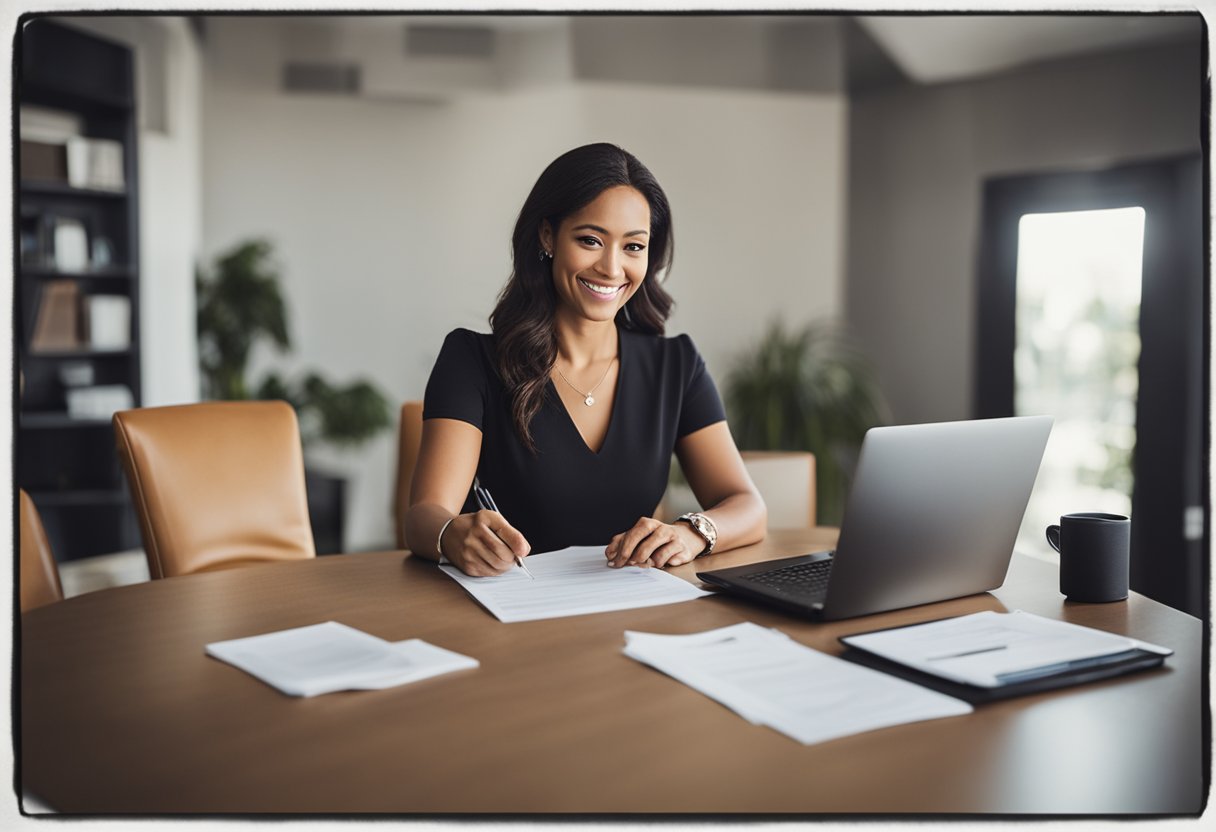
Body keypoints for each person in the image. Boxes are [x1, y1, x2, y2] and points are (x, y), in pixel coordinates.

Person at [405, 143, 766, 576]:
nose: (612, 268)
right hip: (507, 615)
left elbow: (747, 506)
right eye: (591, 240)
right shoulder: (472, 360)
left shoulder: (676, 365)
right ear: (546, 237)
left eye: (633, 247)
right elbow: (424, 515)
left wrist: (692, 532)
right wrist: (452, 533)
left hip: (630, 611)